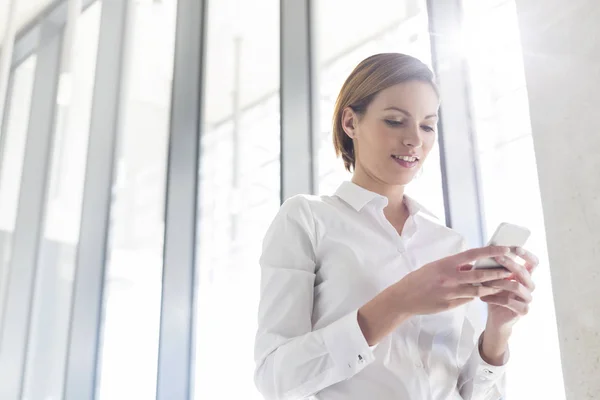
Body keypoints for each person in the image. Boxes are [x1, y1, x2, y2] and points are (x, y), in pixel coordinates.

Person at [253, 53, 538, 400]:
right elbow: (274, 379)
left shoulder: (447, 243)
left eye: (427, 125)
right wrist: (399, 302)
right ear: (350, 123)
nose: (414, 140)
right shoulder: (307, 219)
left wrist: (498, 329)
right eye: (394, 121)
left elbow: (471, 392)